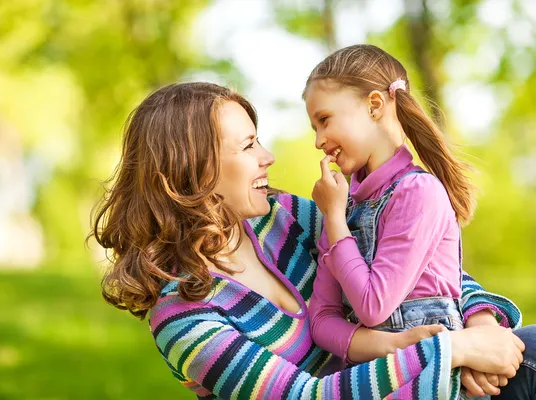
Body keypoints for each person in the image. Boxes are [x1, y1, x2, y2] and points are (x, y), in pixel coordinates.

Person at [91, 81, 532, 399]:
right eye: (247, 147)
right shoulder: (183, 317)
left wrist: (482, 331)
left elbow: (416, 266)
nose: (268, 157)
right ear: (195, 172)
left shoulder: (287, 217)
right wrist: (448, 350)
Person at [304, 44, 523, 397]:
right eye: (314, 126)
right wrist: (394, 345)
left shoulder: (417, 193)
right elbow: (322, 321)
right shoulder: (341, 213)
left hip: (439, 382)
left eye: (324, 120)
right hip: (379, 382)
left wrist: (334, 220)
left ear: (375, 106)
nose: (318, 141)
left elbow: (372, 305)